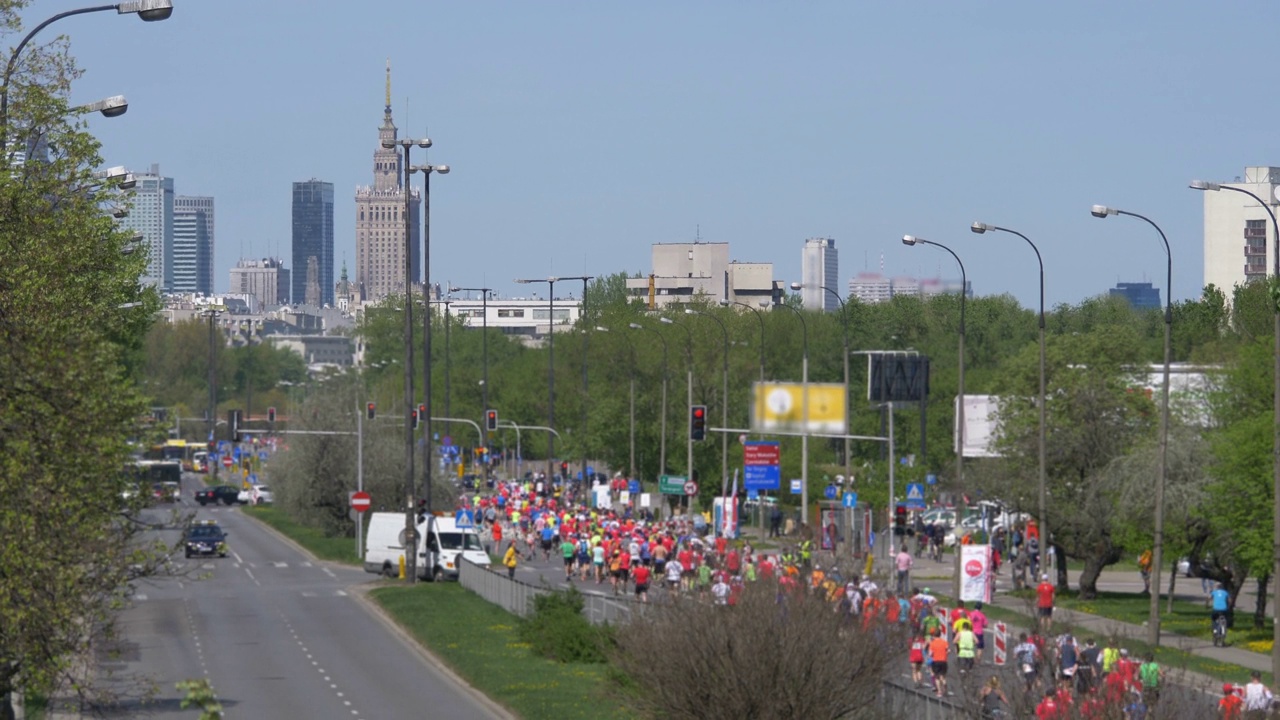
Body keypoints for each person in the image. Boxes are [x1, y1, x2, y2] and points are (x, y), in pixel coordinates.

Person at [928, 629, 950, 697]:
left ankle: (939, 691)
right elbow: (949, 650)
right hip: (943, 661)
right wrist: (945, 654)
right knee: (943, 676)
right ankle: (945, 687)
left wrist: (933, 655)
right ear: (940, 635)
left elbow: (930, 653)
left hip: (936, 661)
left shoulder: (932, 643)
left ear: (934, 635)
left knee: (937, 677)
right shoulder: (944, 642)